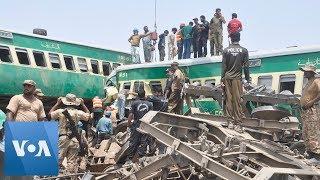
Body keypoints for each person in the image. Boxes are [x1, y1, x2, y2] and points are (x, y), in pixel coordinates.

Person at [49, 94, 91, 178]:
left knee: (58, 158)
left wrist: (57, 104)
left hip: (63, 138)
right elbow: (88, 116)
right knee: (71, 161)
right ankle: (71, 177)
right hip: (74, 139)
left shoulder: (60, 111)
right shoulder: (78, 112)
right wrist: (83, 105)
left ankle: (51, 177)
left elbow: (50, 114)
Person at [221, 32, 249, 122]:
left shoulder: (226, 50)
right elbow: (246, 67)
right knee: (237, 100)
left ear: (231, 39)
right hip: (237, 78)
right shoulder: (244, 51)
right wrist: (247, 79)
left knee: (229, 99)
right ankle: (237, 120)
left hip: (227, 77)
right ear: (239, 39)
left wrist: (222, 79)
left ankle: (229, 120)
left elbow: (224, 66)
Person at [123, 88, 153, 162]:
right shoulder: (150, 104)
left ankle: (129, 159)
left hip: (136, 125)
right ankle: (141, 158)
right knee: (144, 142)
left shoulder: (134, 103)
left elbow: (130, 115)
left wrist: (128, 124)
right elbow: (152, 116)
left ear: (138, 95)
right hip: (146, 125)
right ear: (144, 95)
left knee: (133, 141)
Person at [299, 64, 320, 160]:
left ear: (311, 72)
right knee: (305, 132)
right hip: (305, 112)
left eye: (306, 71)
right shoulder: (308, 82)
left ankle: (316, 156)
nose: (304, 73)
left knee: (312, 132)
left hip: (312, 111)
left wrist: (311, 102)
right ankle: (309, 153)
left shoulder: (316, 81)